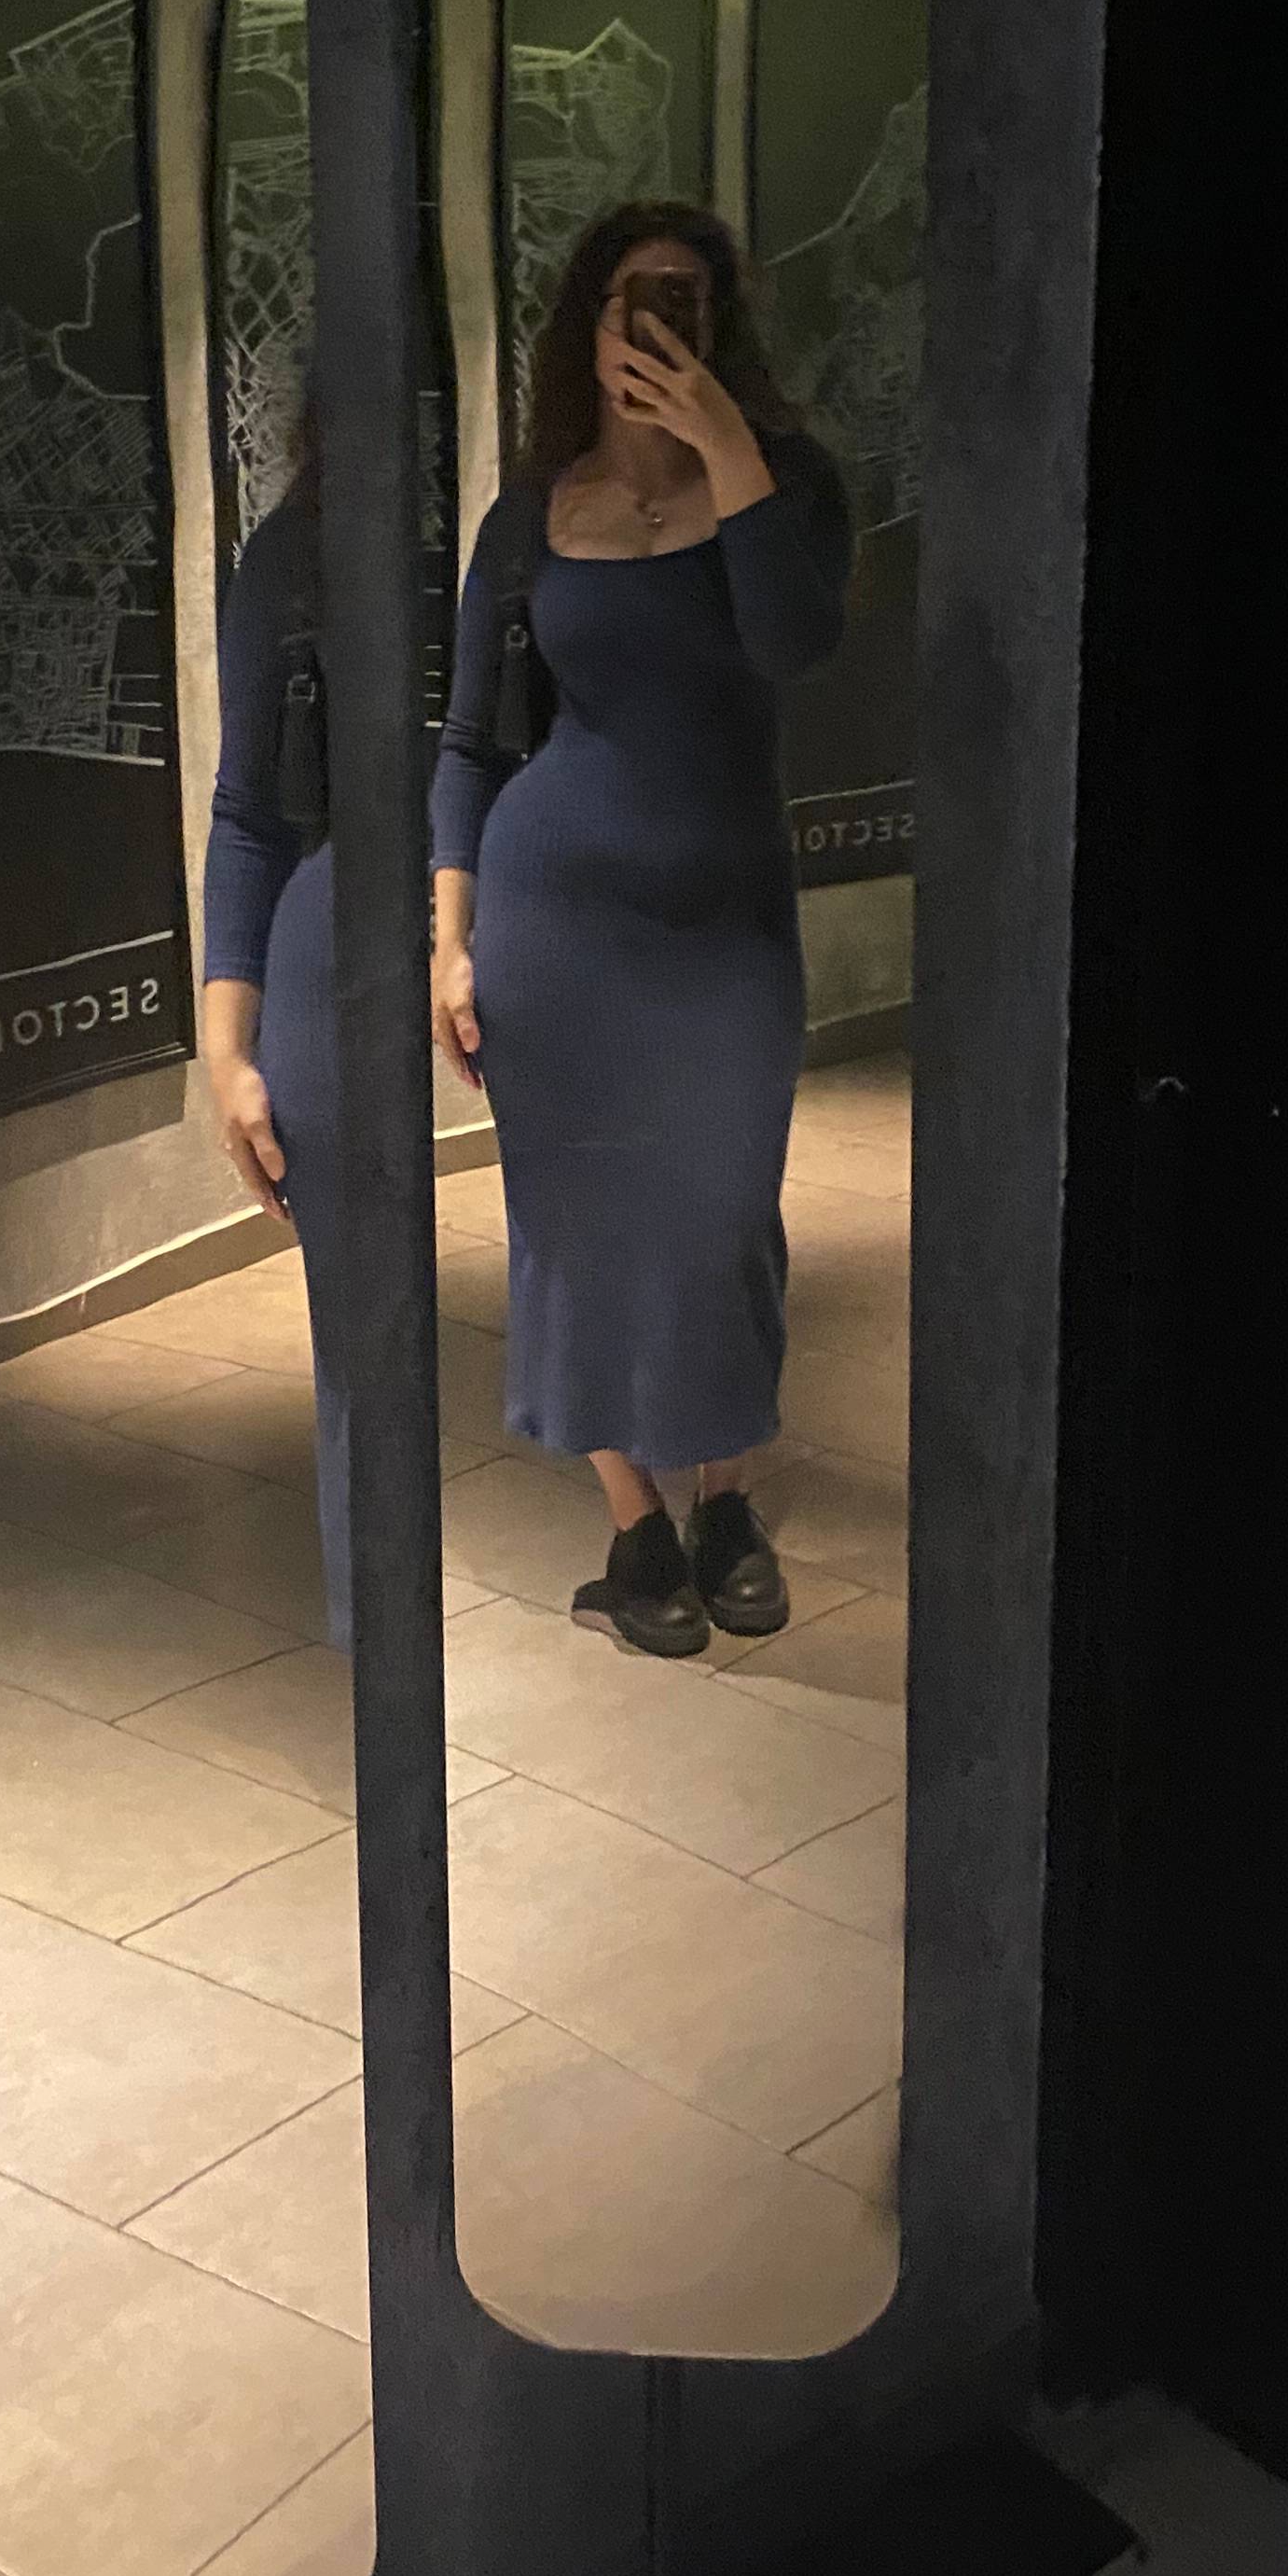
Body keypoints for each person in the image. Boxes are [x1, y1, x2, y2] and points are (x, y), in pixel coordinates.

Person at [429, 199, 852, 1656]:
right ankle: (635, 1521)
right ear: (589, 327)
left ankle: (727, 1496)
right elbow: (470, 741)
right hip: (553, 922)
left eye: (687, 299)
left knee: (724, 1216)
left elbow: (795, 642)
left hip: (725, 928)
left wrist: (726, 448)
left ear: (720, 325)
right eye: (633, 300)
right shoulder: (528, 518)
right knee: (577, 1223)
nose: (658, 324)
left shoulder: (787, 483)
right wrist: (451, 937)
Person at [200, 406, 356, 1648]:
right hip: (327, 934)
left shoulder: (532, 531)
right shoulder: (289, 560)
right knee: (357, 1325)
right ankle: (376, 1640)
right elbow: (249, 810)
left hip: (540, 910)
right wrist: (225, 1049)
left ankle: (678, 1507)